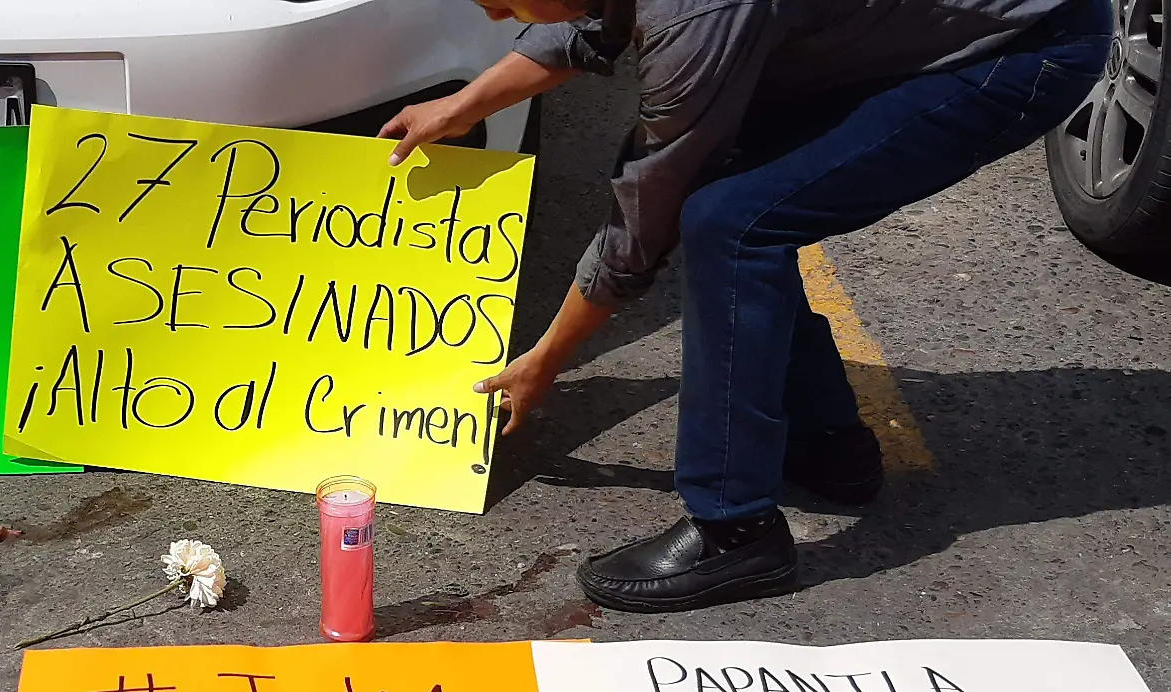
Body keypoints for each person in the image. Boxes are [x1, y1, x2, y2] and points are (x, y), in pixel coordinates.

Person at [382, 0, 1113, 612]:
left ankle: (734, 531)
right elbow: (591, 18)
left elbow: (645, 215)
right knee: (737, 192)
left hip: (1023, 46)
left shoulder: (694, 17)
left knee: (730, 221)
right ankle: (828, 444)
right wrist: (462, 105)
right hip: (929, 30)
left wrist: (545, 359)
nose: (495, 15)